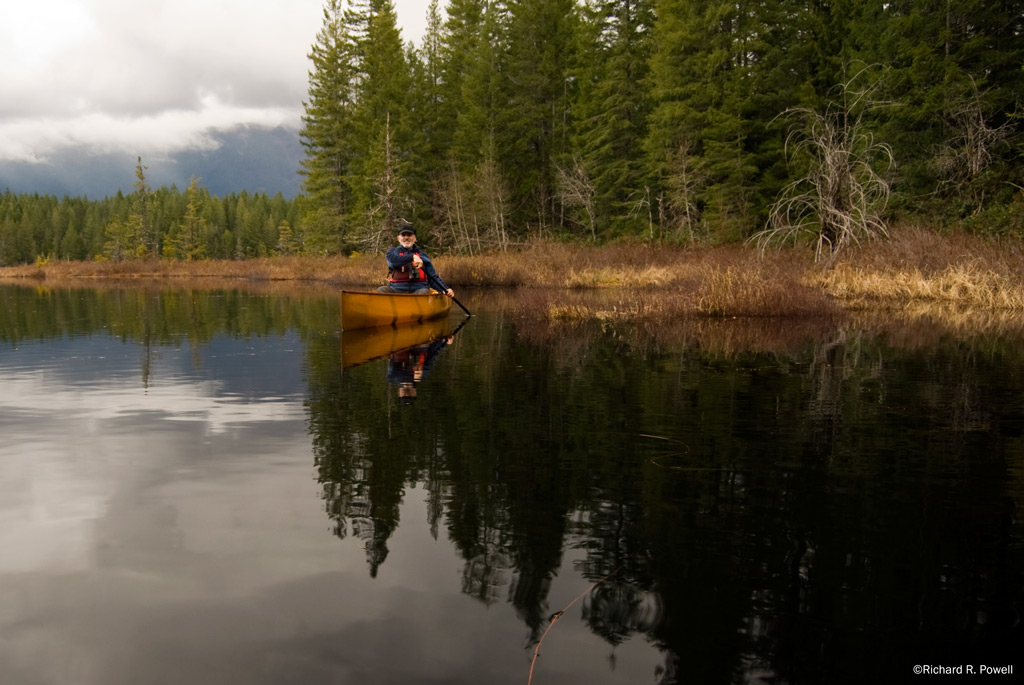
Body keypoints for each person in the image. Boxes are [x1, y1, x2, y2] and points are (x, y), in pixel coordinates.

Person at [377, 223, 455, 297]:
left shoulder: (422, 255)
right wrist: (413, 257)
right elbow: (393, 261)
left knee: (424, 292)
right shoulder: (392, 253)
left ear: (415, 238)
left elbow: (432, 277)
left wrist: (444, 288)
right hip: (396, 289)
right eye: (403, 235)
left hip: (418, 289)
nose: (406, 237)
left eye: (409, 235)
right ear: (398, 238)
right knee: (382, 290)